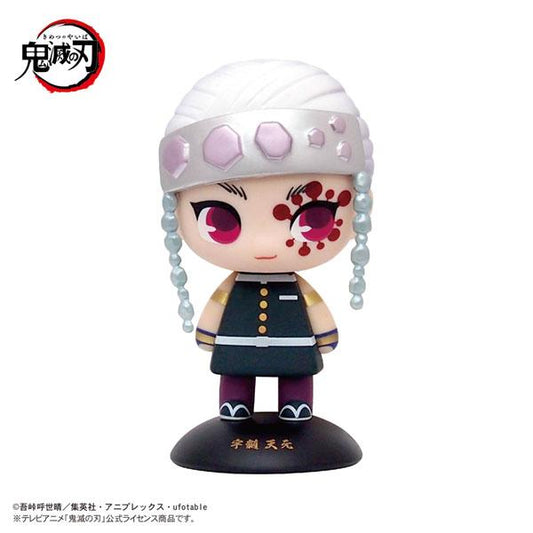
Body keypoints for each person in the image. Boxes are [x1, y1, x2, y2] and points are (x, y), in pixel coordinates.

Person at [159, 60, 373, 422]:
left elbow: (316, 311)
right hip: (238, 346)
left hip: (293, 346)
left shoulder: (295, 289)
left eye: (313, 219)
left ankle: (296, 405)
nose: (264, 244)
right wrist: (208, 333)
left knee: (296, 375)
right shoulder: (233, 288)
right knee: (235, 375)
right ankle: (235, 405)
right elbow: (216, 308)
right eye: (220, 221)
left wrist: (324, 335)